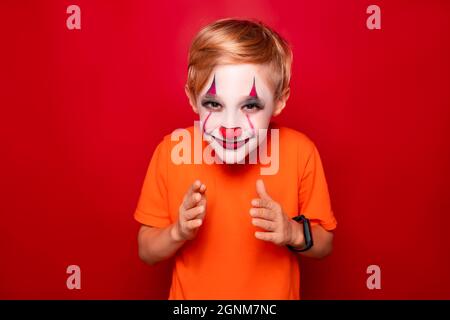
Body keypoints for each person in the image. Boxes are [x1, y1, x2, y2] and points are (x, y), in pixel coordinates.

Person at [134, 18, 337, 300]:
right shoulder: (171, 152)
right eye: (213, 104)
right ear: (193, 99)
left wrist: (293, 232)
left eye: (250, 105)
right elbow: (146, 252)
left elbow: (325, 244)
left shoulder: (300, 151)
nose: (230, 125)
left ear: (279, 100)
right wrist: (176, 232)